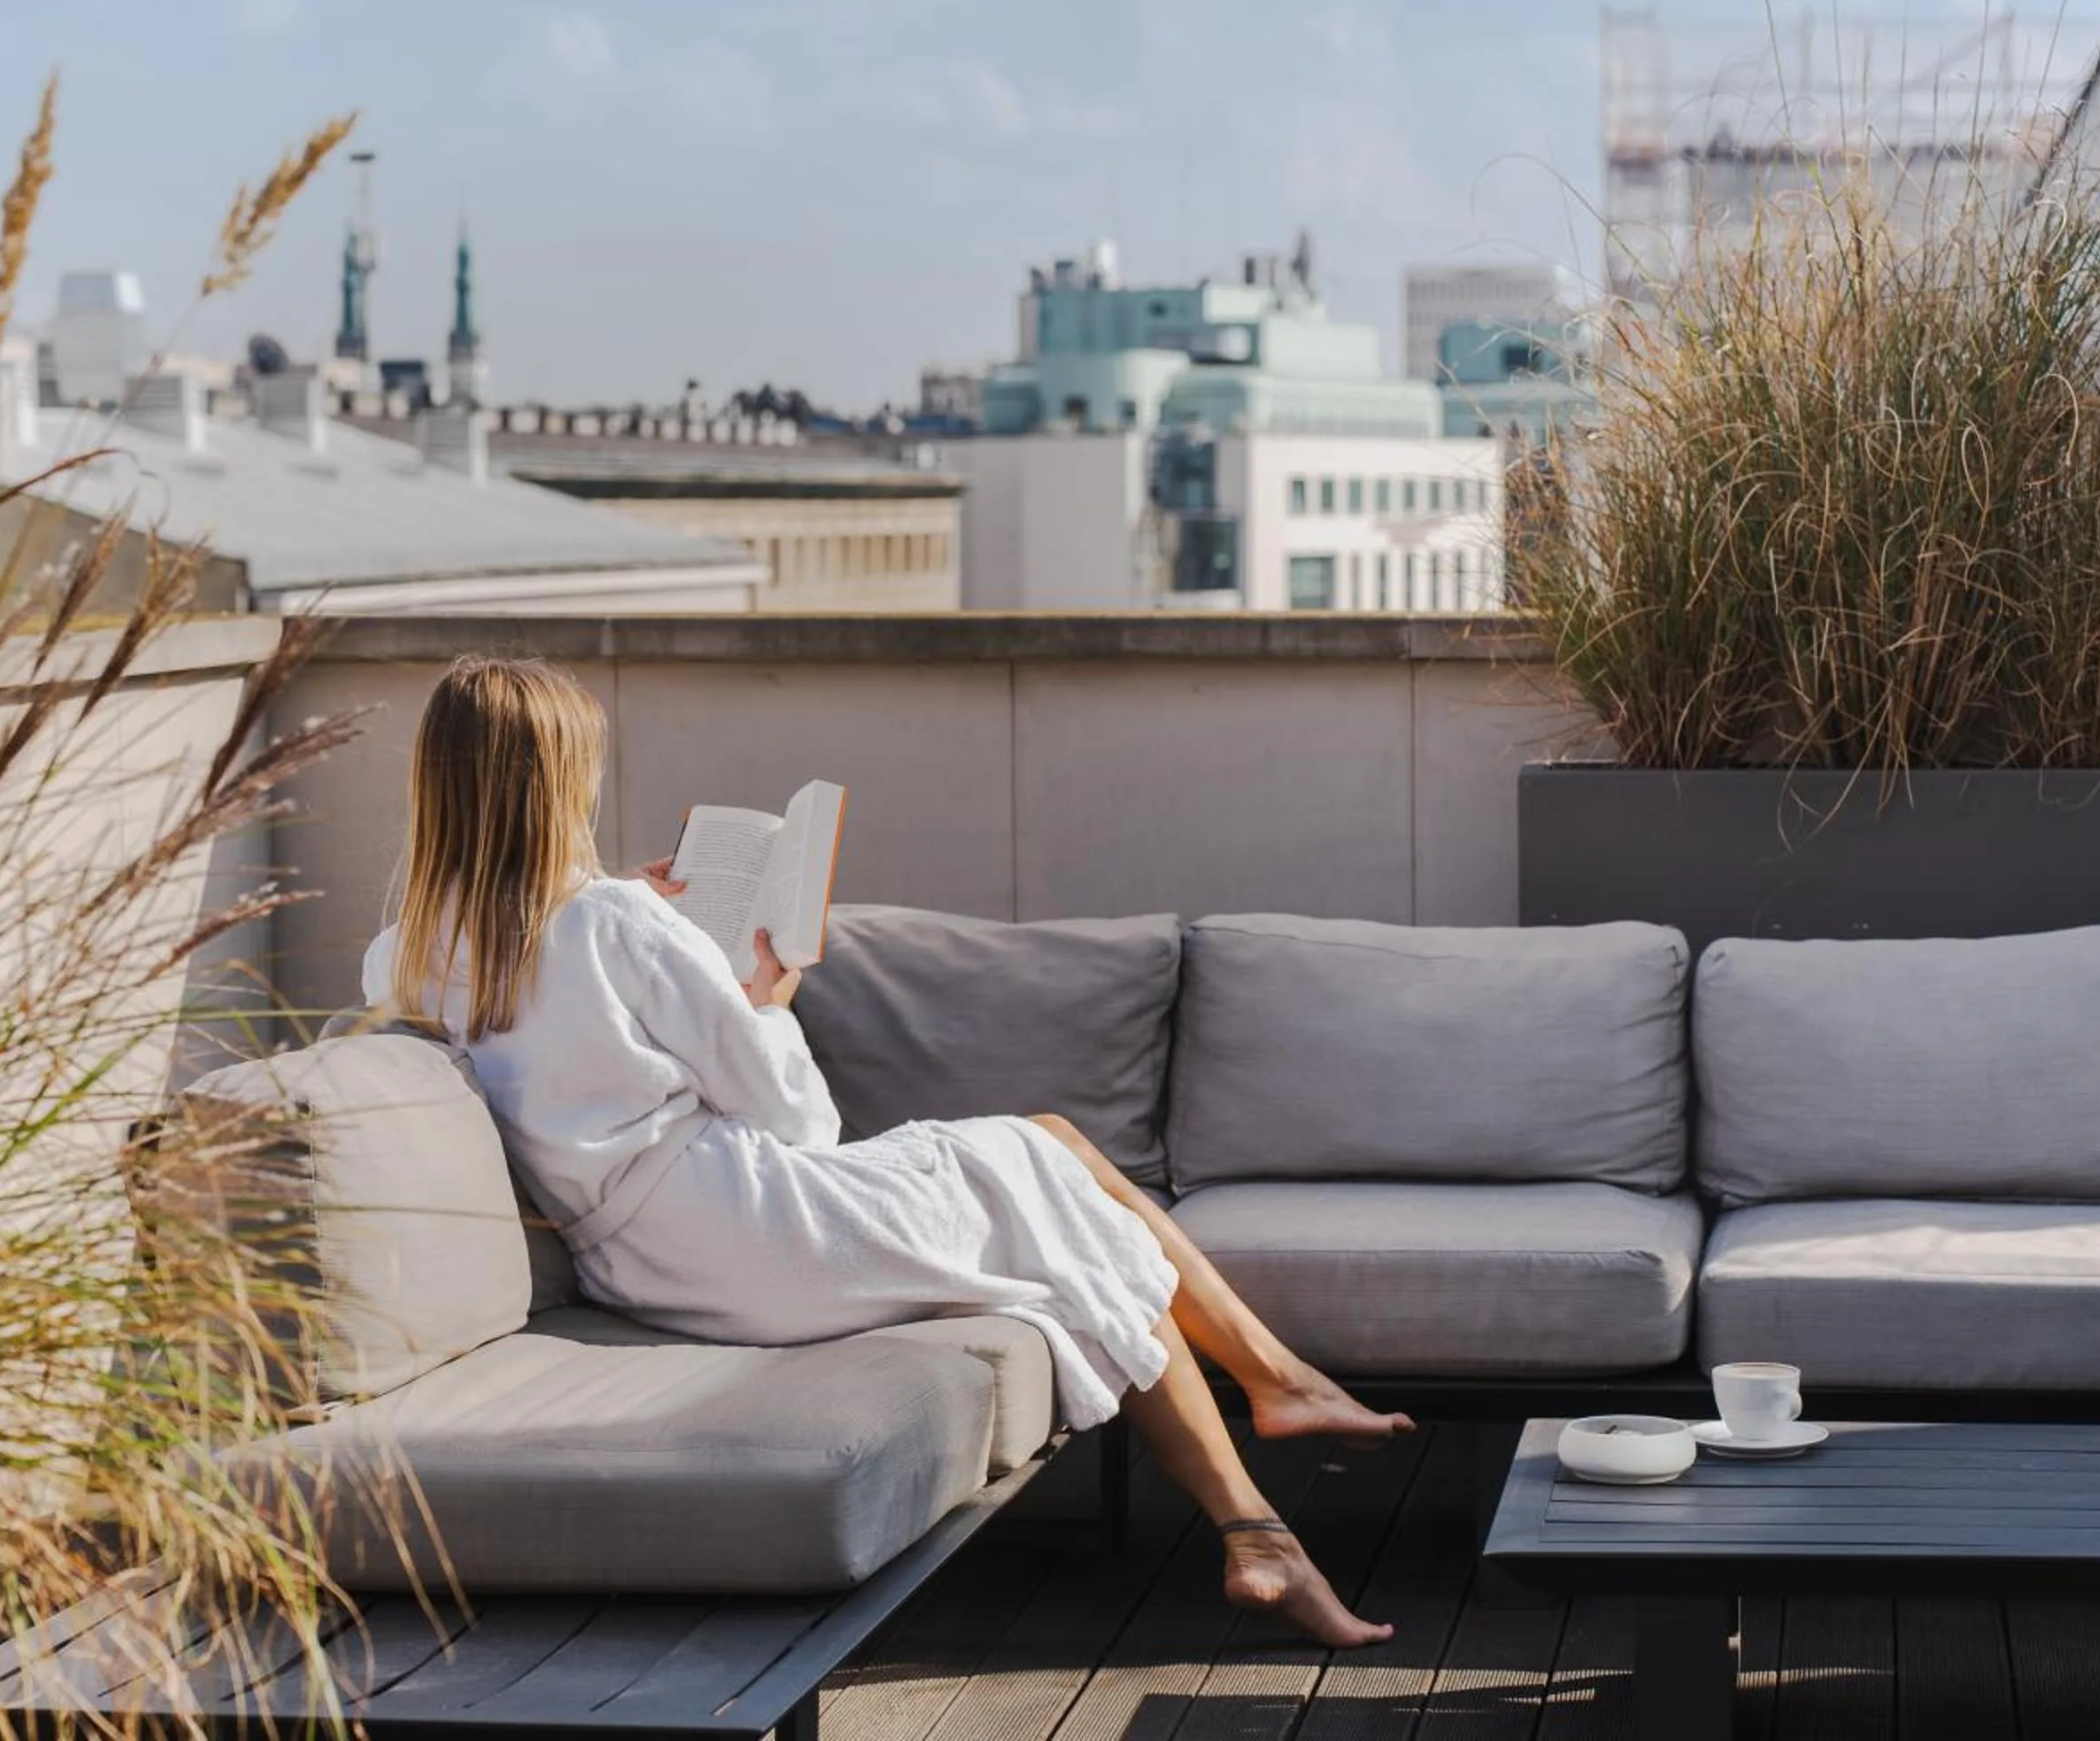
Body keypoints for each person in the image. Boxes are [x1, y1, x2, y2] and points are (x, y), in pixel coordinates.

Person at [364, 656, 1412, 1646]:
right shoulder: (617, 922)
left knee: (1049, 1163)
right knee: (1058, 1184)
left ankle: (1270, 1433)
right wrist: (768, 999)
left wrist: (637, 923)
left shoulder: (403, 953)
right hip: (762, 1230)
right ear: (563, 786)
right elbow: (794, 1120)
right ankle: (1266, 1466)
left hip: (646, 1266)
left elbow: (555, 1018)